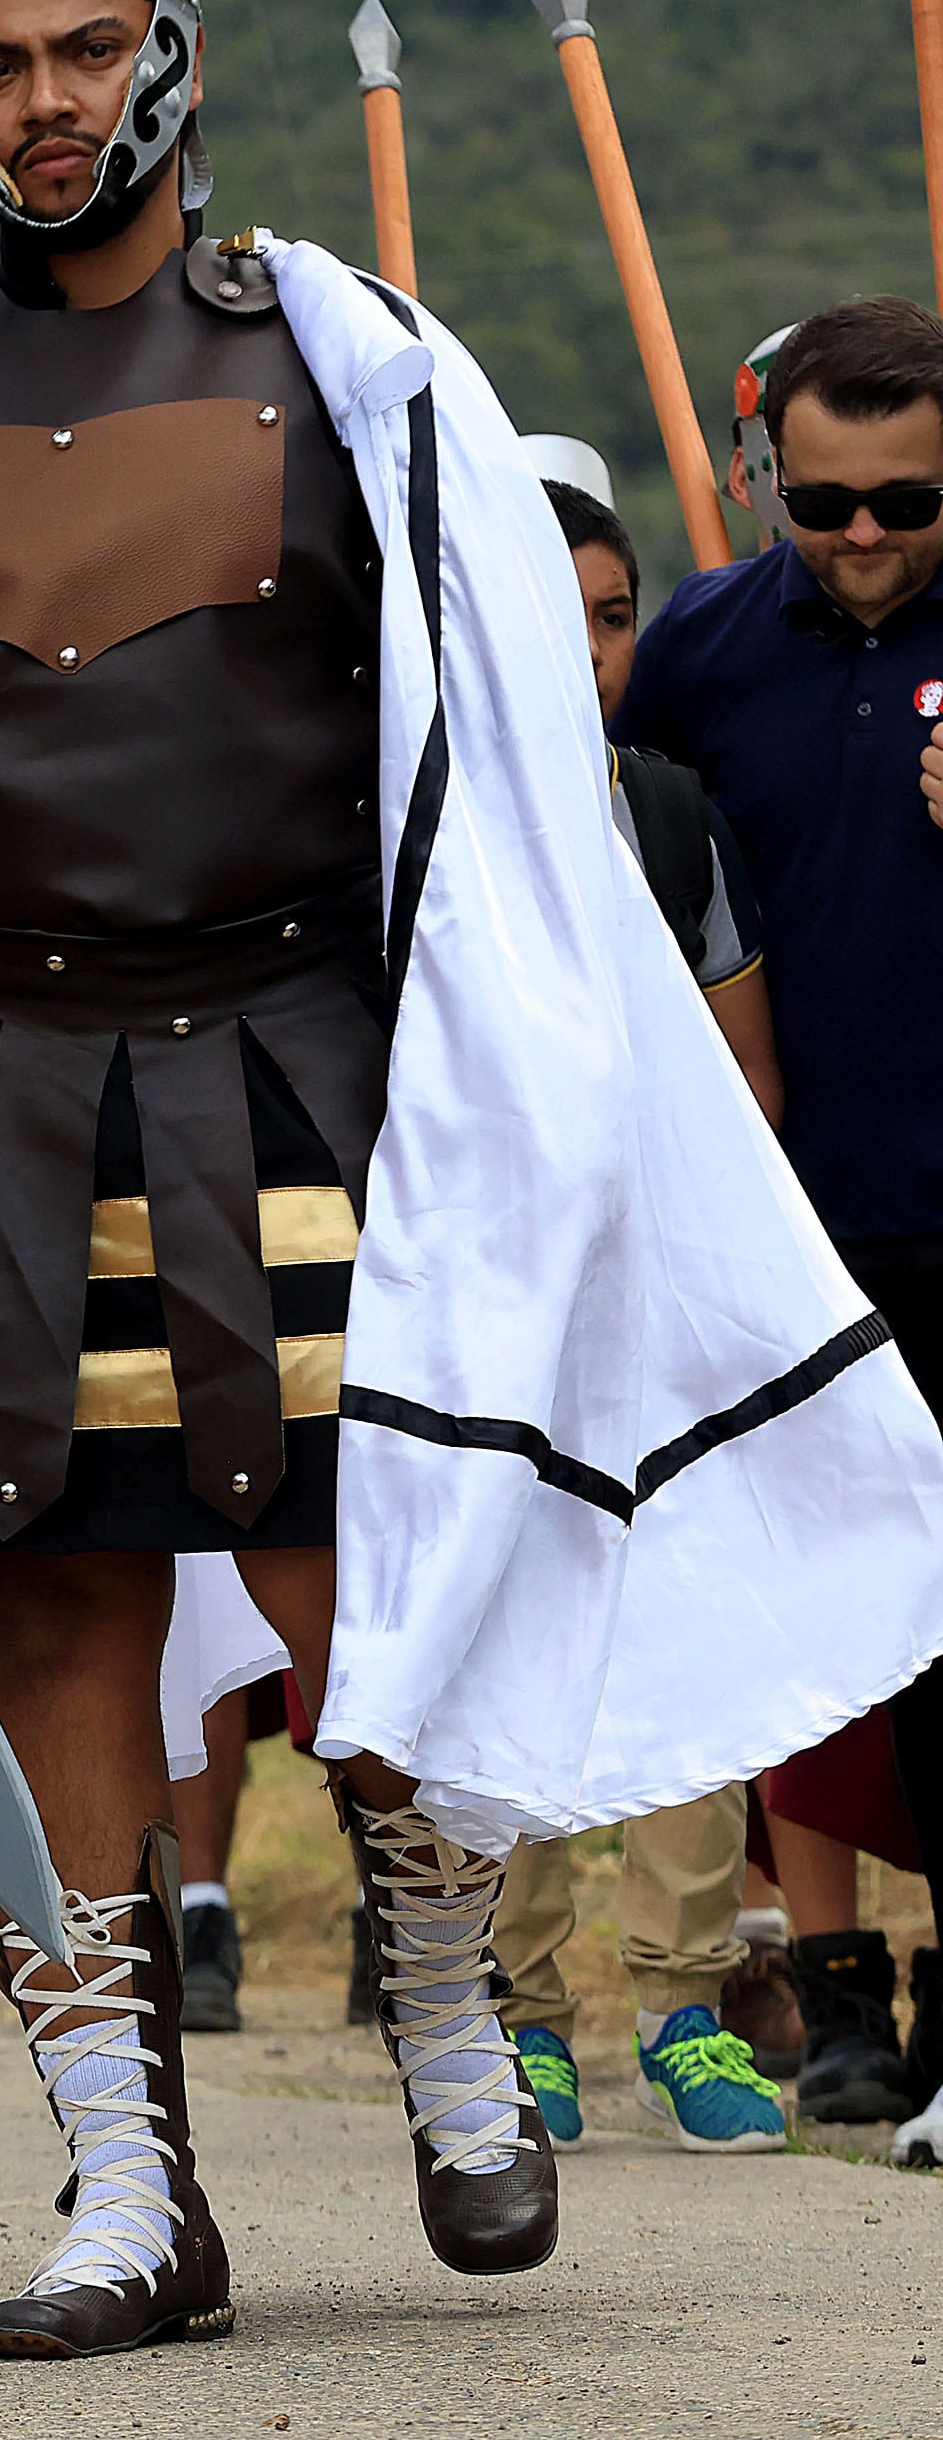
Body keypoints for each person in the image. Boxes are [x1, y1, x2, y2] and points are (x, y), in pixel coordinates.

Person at [0, 0, 943, 2360]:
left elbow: (494, 772)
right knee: (51, 1617)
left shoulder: (344, 369)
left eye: (84, 43)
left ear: (168, 51)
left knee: (368, 1583)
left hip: (299, 1068)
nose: (45, 98)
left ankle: (447, 2006)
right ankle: (123, 2176)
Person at [610, 296, 943, 2136]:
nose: (868, 536)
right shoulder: (705, 649)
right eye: (828, 504)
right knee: (800, 1612)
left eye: (908, 501)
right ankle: (834, 1993)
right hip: (772, 1221)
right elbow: (627, 865)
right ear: (772, 480)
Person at [472, 446, 789, 2152]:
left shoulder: (671, 812)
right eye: (547, 612)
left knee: (682, 1633)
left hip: (659, 1288)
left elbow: (748, 1076)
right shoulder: (409, 819)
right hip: (489, 1303)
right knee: (508, 1635)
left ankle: (682, 2001)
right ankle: (513, 2010)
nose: (585, 644)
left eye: (609, 616)